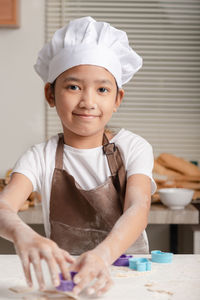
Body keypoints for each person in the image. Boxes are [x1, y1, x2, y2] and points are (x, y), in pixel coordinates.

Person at [0, 16, 156, 296]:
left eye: (102, 89)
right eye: (73, 87)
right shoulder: (40, 157)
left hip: (129, 276)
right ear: (50, 94)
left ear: (117, 99)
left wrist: (101, 255)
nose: (88, 101)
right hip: (67, 280)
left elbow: (138, 209)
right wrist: (24, 235)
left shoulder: (133, 147)